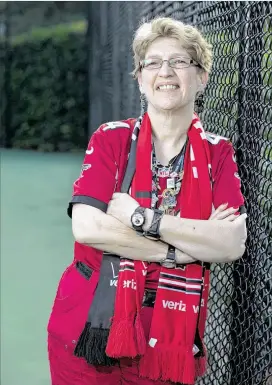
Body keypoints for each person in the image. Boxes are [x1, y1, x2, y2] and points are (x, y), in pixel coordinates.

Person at [47, 17, 247, 385]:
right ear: (140, 79)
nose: (165, 71)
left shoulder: (219, 153)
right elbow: (88, 226)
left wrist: (141, 218)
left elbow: (231, 242)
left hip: (169, 339)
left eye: (180, 61)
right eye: (153, 62)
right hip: (89, 322)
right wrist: (176, 250)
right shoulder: (112, 139)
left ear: (202, 76)